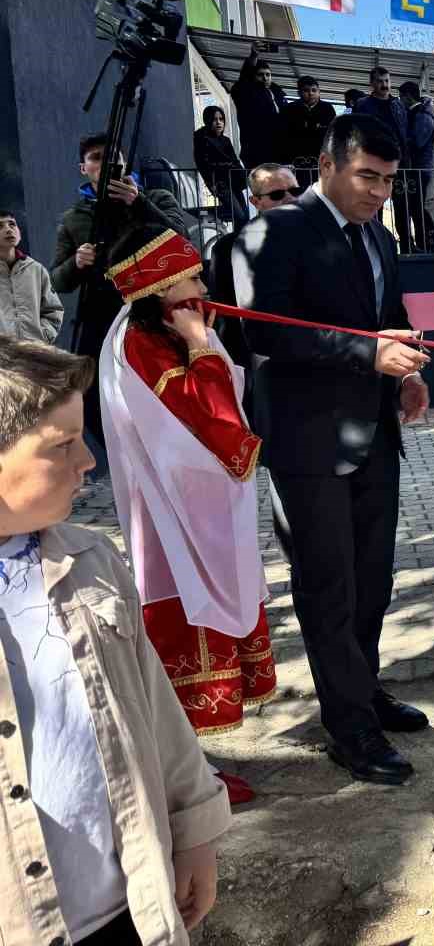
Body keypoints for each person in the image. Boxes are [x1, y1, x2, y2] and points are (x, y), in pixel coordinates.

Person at [0, 336, 229, 946]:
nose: (89, 463)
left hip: (123, 904)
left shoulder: (92, 560)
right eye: (64, 445)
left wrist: (196, 827)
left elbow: (153, 704)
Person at [232, 113, 432, 786]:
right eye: (366, 177)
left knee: (373, 579)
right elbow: (263, 332)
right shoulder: (273, 231)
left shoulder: (380, 237)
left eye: (388, 181)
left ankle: (363, 689)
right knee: (328, 586)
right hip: (308, 441)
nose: (379, 193)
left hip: (374, 432)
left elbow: (387, 321)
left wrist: (407, 378)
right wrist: (367, 354)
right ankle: (347, 729)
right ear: (326, 167)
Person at [98, 226, 275, 806]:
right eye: (192, 279)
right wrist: (200, 343)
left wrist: (201, 341)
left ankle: (197, 768)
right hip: (172, 518)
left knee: (201, 620)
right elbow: (210, 416)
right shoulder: (146, 344)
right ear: (161, 289)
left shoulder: (152, 333)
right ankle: (188, 776)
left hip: (181, 508)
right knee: (185, 627)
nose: (203, 287)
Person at [50, 134, 188, 459]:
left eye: (114, 156)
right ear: (83, 168)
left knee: (162, 391)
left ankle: (165, 456)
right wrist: (76, 263)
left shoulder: (155, 197)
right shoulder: (73, 219)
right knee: (90, 396)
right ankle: (127, 457)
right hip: (100, 320)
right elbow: (57, 280)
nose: (107, 162)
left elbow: (182, 242)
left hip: (153, 314)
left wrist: (138, 203)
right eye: (97, 157)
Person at [207, 164, 298, 389]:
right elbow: (226, 315)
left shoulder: (322, 242)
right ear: (255, 202)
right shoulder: (228, 248)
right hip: (259, 370)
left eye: (295, 191)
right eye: (277, 195)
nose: (289, 199)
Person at [0, 210, 64, 343]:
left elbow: (53, 310)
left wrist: (43, 337)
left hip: (34, 355)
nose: (8, 229)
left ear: (19, 233)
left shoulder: (35, 269)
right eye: (0, 226)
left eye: (12, 224)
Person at [396, 80, 434, 254]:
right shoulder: (419, 113)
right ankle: (423, 242)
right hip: (416, 167)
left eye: (401, 97)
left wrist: (400, 142)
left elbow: (418, 141)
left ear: (407, 97)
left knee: (416, 206)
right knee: (414, 206)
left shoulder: (422, 115)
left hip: (419, 168)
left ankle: (428, 240)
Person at [230, 52, 287, 173]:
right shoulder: (246, 93)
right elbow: (243, 81)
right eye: (260, 75)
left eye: (268, 74)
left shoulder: (278, 93)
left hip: (278, 150)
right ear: (252, 76)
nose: (265, 78)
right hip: (256, 150)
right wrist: (253, 57)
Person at [193, 105, 247, 230]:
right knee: (239, 216)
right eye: (214, 119)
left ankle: (239, 242)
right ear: (208, 121)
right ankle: (235, 244)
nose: (219, 122)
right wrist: (212, 183)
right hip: (220, 184)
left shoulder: (225, 140)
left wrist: (243, 176)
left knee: (245, 216)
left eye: (221, 119)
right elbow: (202, 164)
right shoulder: (202, 137)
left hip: (234, 183)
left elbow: (235, 161)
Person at [279, 75, 336, 182]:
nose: (311, 94)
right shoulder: (289, 110)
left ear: (319, 92)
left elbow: (332, 136)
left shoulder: (327, 109)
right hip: (295, 161)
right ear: (299, 92)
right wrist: (285, 161)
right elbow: (283, 137)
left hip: (320, 160)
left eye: (314, 90)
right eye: (306, 90)